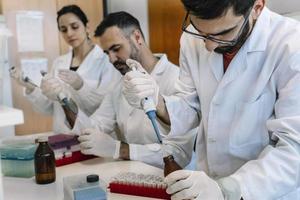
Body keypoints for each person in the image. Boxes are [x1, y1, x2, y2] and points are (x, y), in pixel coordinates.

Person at [122, 0, 300, 199]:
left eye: (223, 34)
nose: (208, 46)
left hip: (264, 191)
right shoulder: (192, 38)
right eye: (201, 32)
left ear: (257, 7)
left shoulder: (291, 45)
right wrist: (158, 103)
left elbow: (294, 150)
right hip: (207, 185)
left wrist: (228, 189)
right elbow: (191, 107)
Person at [70, 11, 196, 168]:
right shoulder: (120, 85)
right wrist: (65, 99)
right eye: (106, 53)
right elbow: (94, 126)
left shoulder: (176, 80)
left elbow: (180, 154)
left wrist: (121, 149)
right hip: (131, 177)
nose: (111, 59)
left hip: (173, 180)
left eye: (116, 48)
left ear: (137, 38)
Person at [10, 5, 120, 133]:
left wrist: (81, 86)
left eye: (74, 27)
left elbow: (106, 108)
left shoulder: (106, 60)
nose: (69, 33)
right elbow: (49, 109)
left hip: (94, 136)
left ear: (86, 27)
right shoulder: (59, 62)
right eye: (63, 29)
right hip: (63, 137)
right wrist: (30, 87)